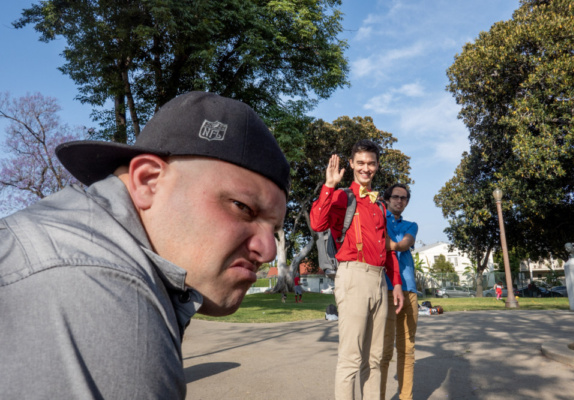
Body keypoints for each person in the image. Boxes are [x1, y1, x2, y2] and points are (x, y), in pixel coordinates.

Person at [0, 91, 289, 399]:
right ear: (149, 181)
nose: (268, 250)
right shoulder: (102, 295)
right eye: (242, 206)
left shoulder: (72, 241)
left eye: (275, 229)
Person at [310, 139, 404, 400]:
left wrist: (395, 282)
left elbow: (386, 248)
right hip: (353, 275)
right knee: (351, 358)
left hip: (378, 280)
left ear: (377, 166)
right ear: (351, 164)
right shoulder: (342, 196)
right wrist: (329, 185)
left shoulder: (380, 205)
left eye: (371, 163)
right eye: (360, 163)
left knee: (374, 358)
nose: (366, 168)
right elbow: (318, 224)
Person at [380, 183, 419, 400]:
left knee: (407, 350)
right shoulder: (378, 219)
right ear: (387, 199)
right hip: (385, 289)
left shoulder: (411, 225)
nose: (399, 201)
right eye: (395, 197)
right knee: (384, 351)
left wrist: (388, 244)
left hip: (409, 290)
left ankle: (406, 397)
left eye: (404, 198)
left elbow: (405, 244)